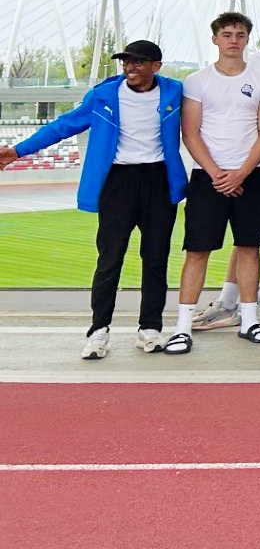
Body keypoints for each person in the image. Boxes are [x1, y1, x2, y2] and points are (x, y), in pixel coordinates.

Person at [0, 40, 185, 359]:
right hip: (118, 181)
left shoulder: (175, 92)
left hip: (158, 181)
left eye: (138, 62)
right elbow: (64, 126)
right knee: (110, 259)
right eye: (126, 61)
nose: (130, 67)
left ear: (156, 66)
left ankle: (150, 328)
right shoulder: (103, 95)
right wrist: (18, 150)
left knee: (155, 259)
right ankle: (99, 331)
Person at [172, 12, 260, 352]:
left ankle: (248, 321)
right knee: (197, 251)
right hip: (208, 178)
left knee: (249, 248)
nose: (234, 39)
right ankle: (183, 326)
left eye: (240, 34)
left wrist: (242, 172)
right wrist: (217, 173)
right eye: (227, 34)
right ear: (215, 39)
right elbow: (190, 132)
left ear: (248, 38)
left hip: (251, 176)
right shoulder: (197, 80)